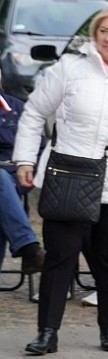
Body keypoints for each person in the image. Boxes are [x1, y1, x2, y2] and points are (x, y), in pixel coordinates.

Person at [14, 3, 108, 355]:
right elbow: (35, 112)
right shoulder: (70, 67)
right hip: (67, 175)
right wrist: (24, 157)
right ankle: (47, 332)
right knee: (60, 255)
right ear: (94, 34)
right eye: (103, 31)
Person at [0, 85, 44, 275]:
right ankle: (28, 247)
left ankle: (28, 247)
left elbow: (38, 148)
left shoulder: (15, 108)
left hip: (14, 176)